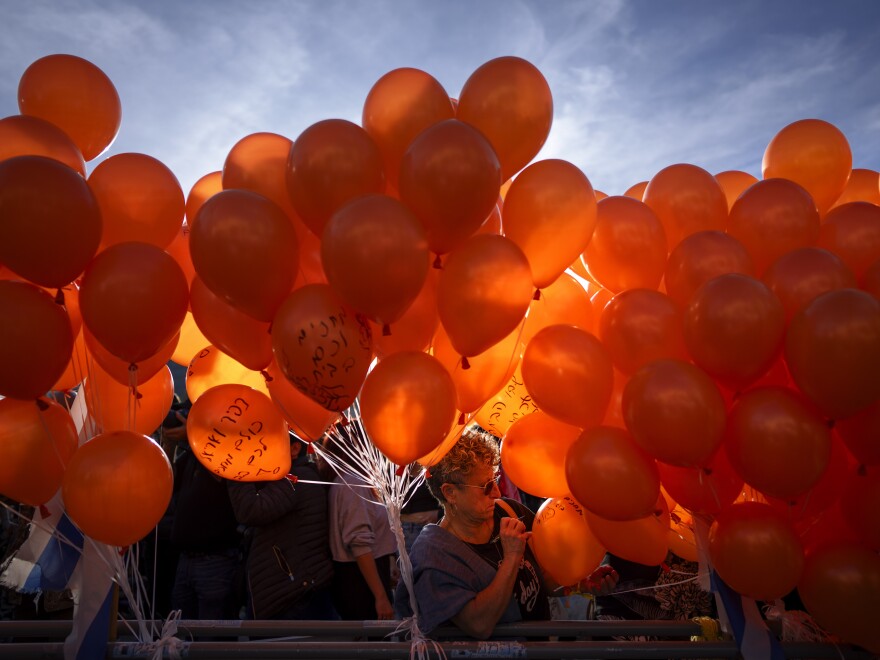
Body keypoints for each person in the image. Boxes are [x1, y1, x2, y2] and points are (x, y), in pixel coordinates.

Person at [395, 425, 619, 639]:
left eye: (495, 480)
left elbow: (543, 580)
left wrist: (579, 584)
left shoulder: (509, 511)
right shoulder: (435, 555)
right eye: (485, 486)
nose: (496, 492)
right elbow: (478, 625)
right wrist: (511, 557)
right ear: (451, 493)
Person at [227, 435, 336, 620]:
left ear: (294, 449)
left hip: (292, 597)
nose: (262, 449)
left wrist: (236, 467)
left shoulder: (296, 478)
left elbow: (251, 510)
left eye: (270, 443)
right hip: (292, 591)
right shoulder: (295, 475)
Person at [321, 435, 397, 621]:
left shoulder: (348, 481)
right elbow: (359, 543)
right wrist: (380, 596)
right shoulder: (352, 484)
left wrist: (390, 563)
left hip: (363, 577)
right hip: (361, 582)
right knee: (372, 648)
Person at [169, 431, 242, 620]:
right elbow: (169, 478)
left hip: (216, 560)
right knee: (179, 637)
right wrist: (169, 444)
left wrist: (195, 435)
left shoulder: (230, 448)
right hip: (185, 559)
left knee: (211, 638)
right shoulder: (194, 454)